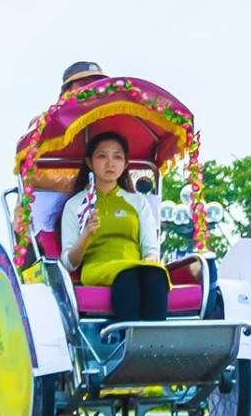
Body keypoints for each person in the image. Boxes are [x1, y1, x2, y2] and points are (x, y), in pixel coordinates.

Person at [58, 131, 173, 324]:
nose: (110, 163)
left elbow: (150, 250)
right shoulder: (75, 204)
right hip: (98, 268)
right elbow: (69, 262)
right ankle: (130, 342)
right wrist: (86, 234)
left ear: (125, 164)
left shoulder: (138, 202)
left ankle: (155, 346)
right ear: (89, 162)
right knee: (128, 277)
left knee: (156, 274)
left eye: (117, 157)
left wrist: (150, 265)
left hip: (137, 267)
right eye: (102, 156)